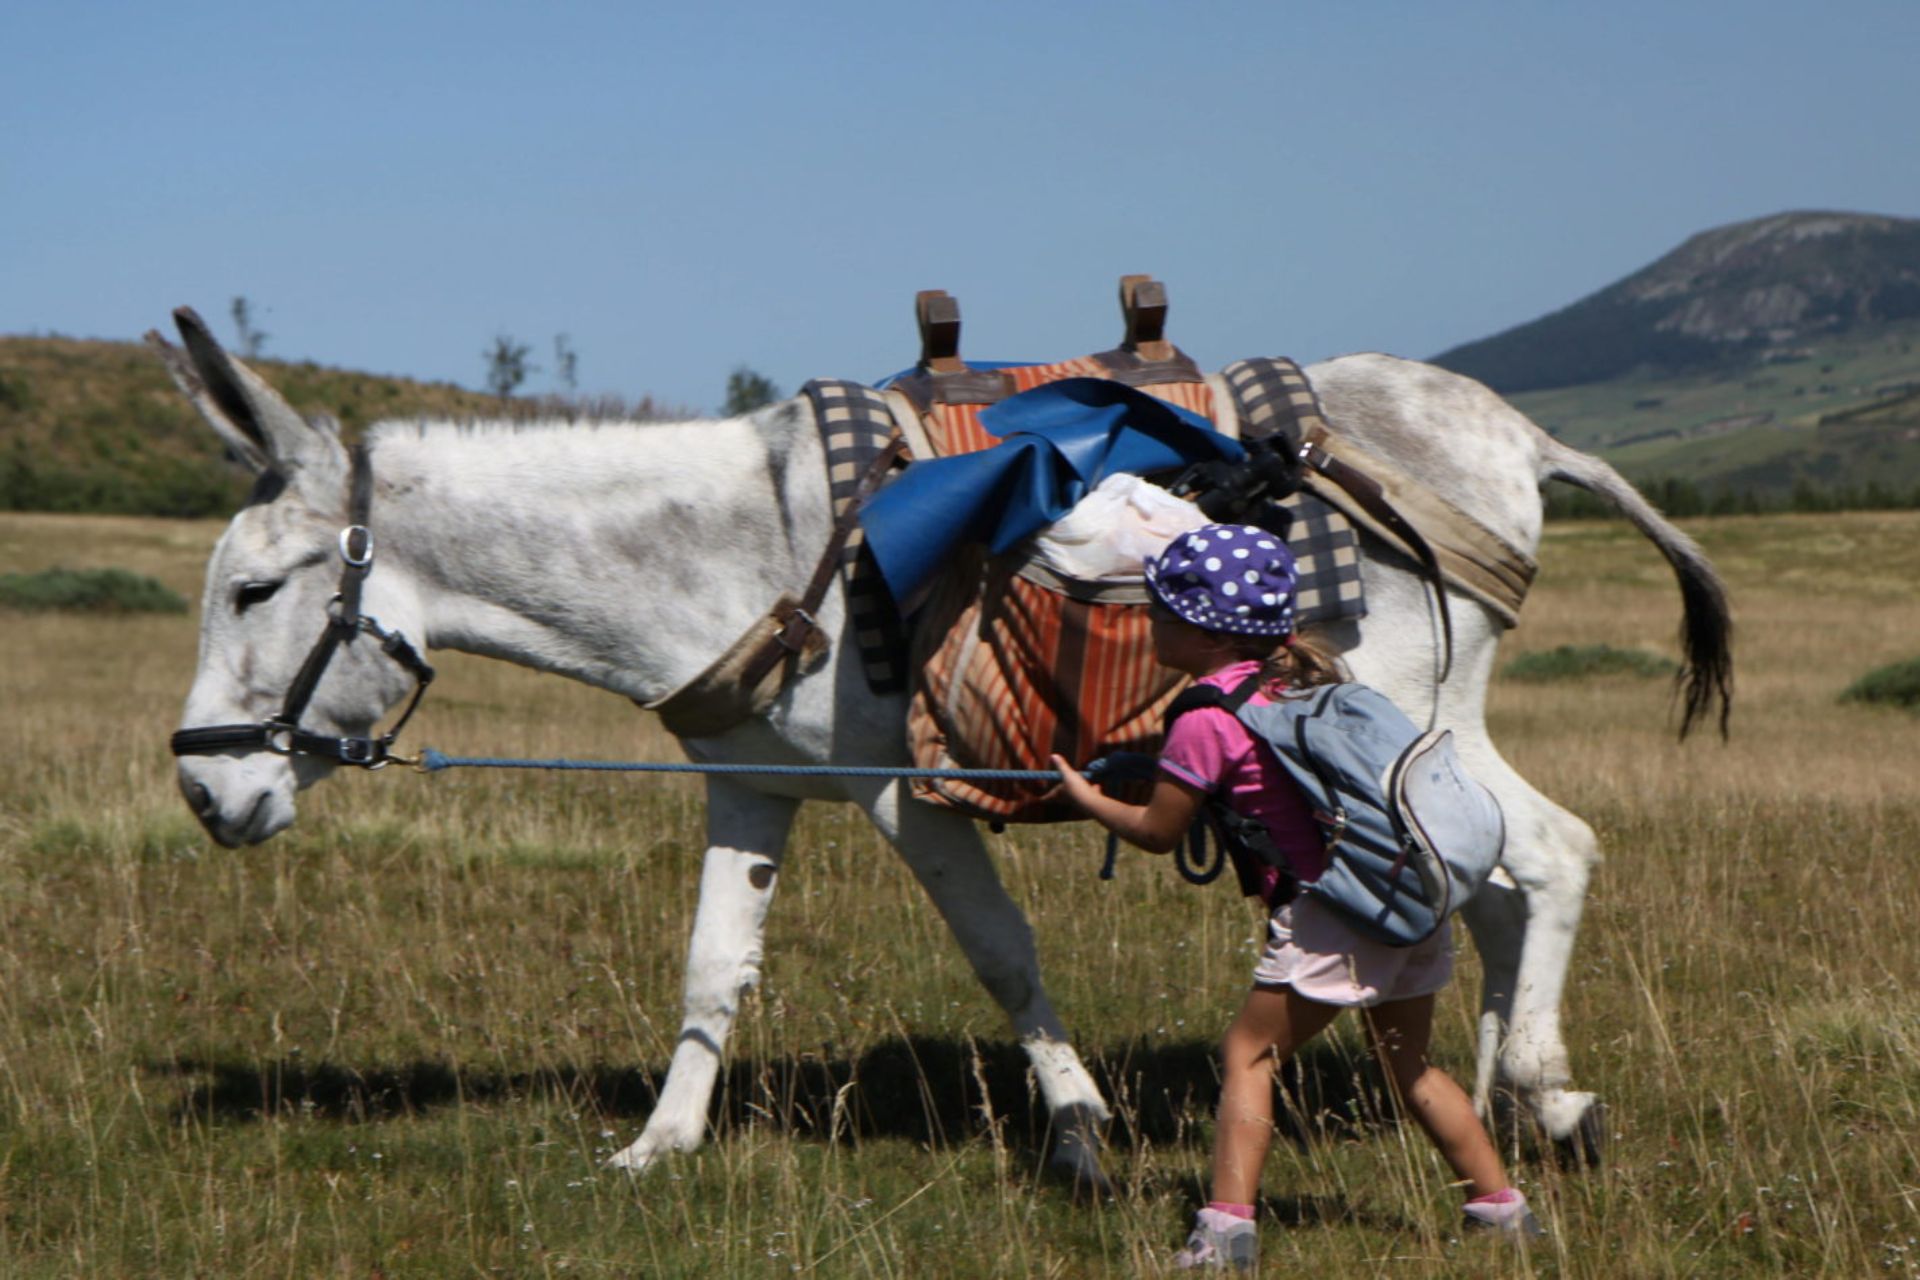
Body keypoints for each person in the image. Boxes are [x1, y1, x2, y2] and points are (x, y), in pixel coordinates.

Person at [1051, 523, 1541, 1271]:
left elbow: (1156, 830)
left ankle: (1225, 1232)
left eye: (1160, 612)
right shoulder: (1300, 682)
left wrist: (1086, 798)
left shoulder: (1204, 715)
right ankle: (1500, 1209)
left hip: (1332, 913)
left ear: (1205, 630)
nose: (1149, 623)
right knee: (1410, 1064)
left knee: (1248, 1054)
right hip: (1405, 898)